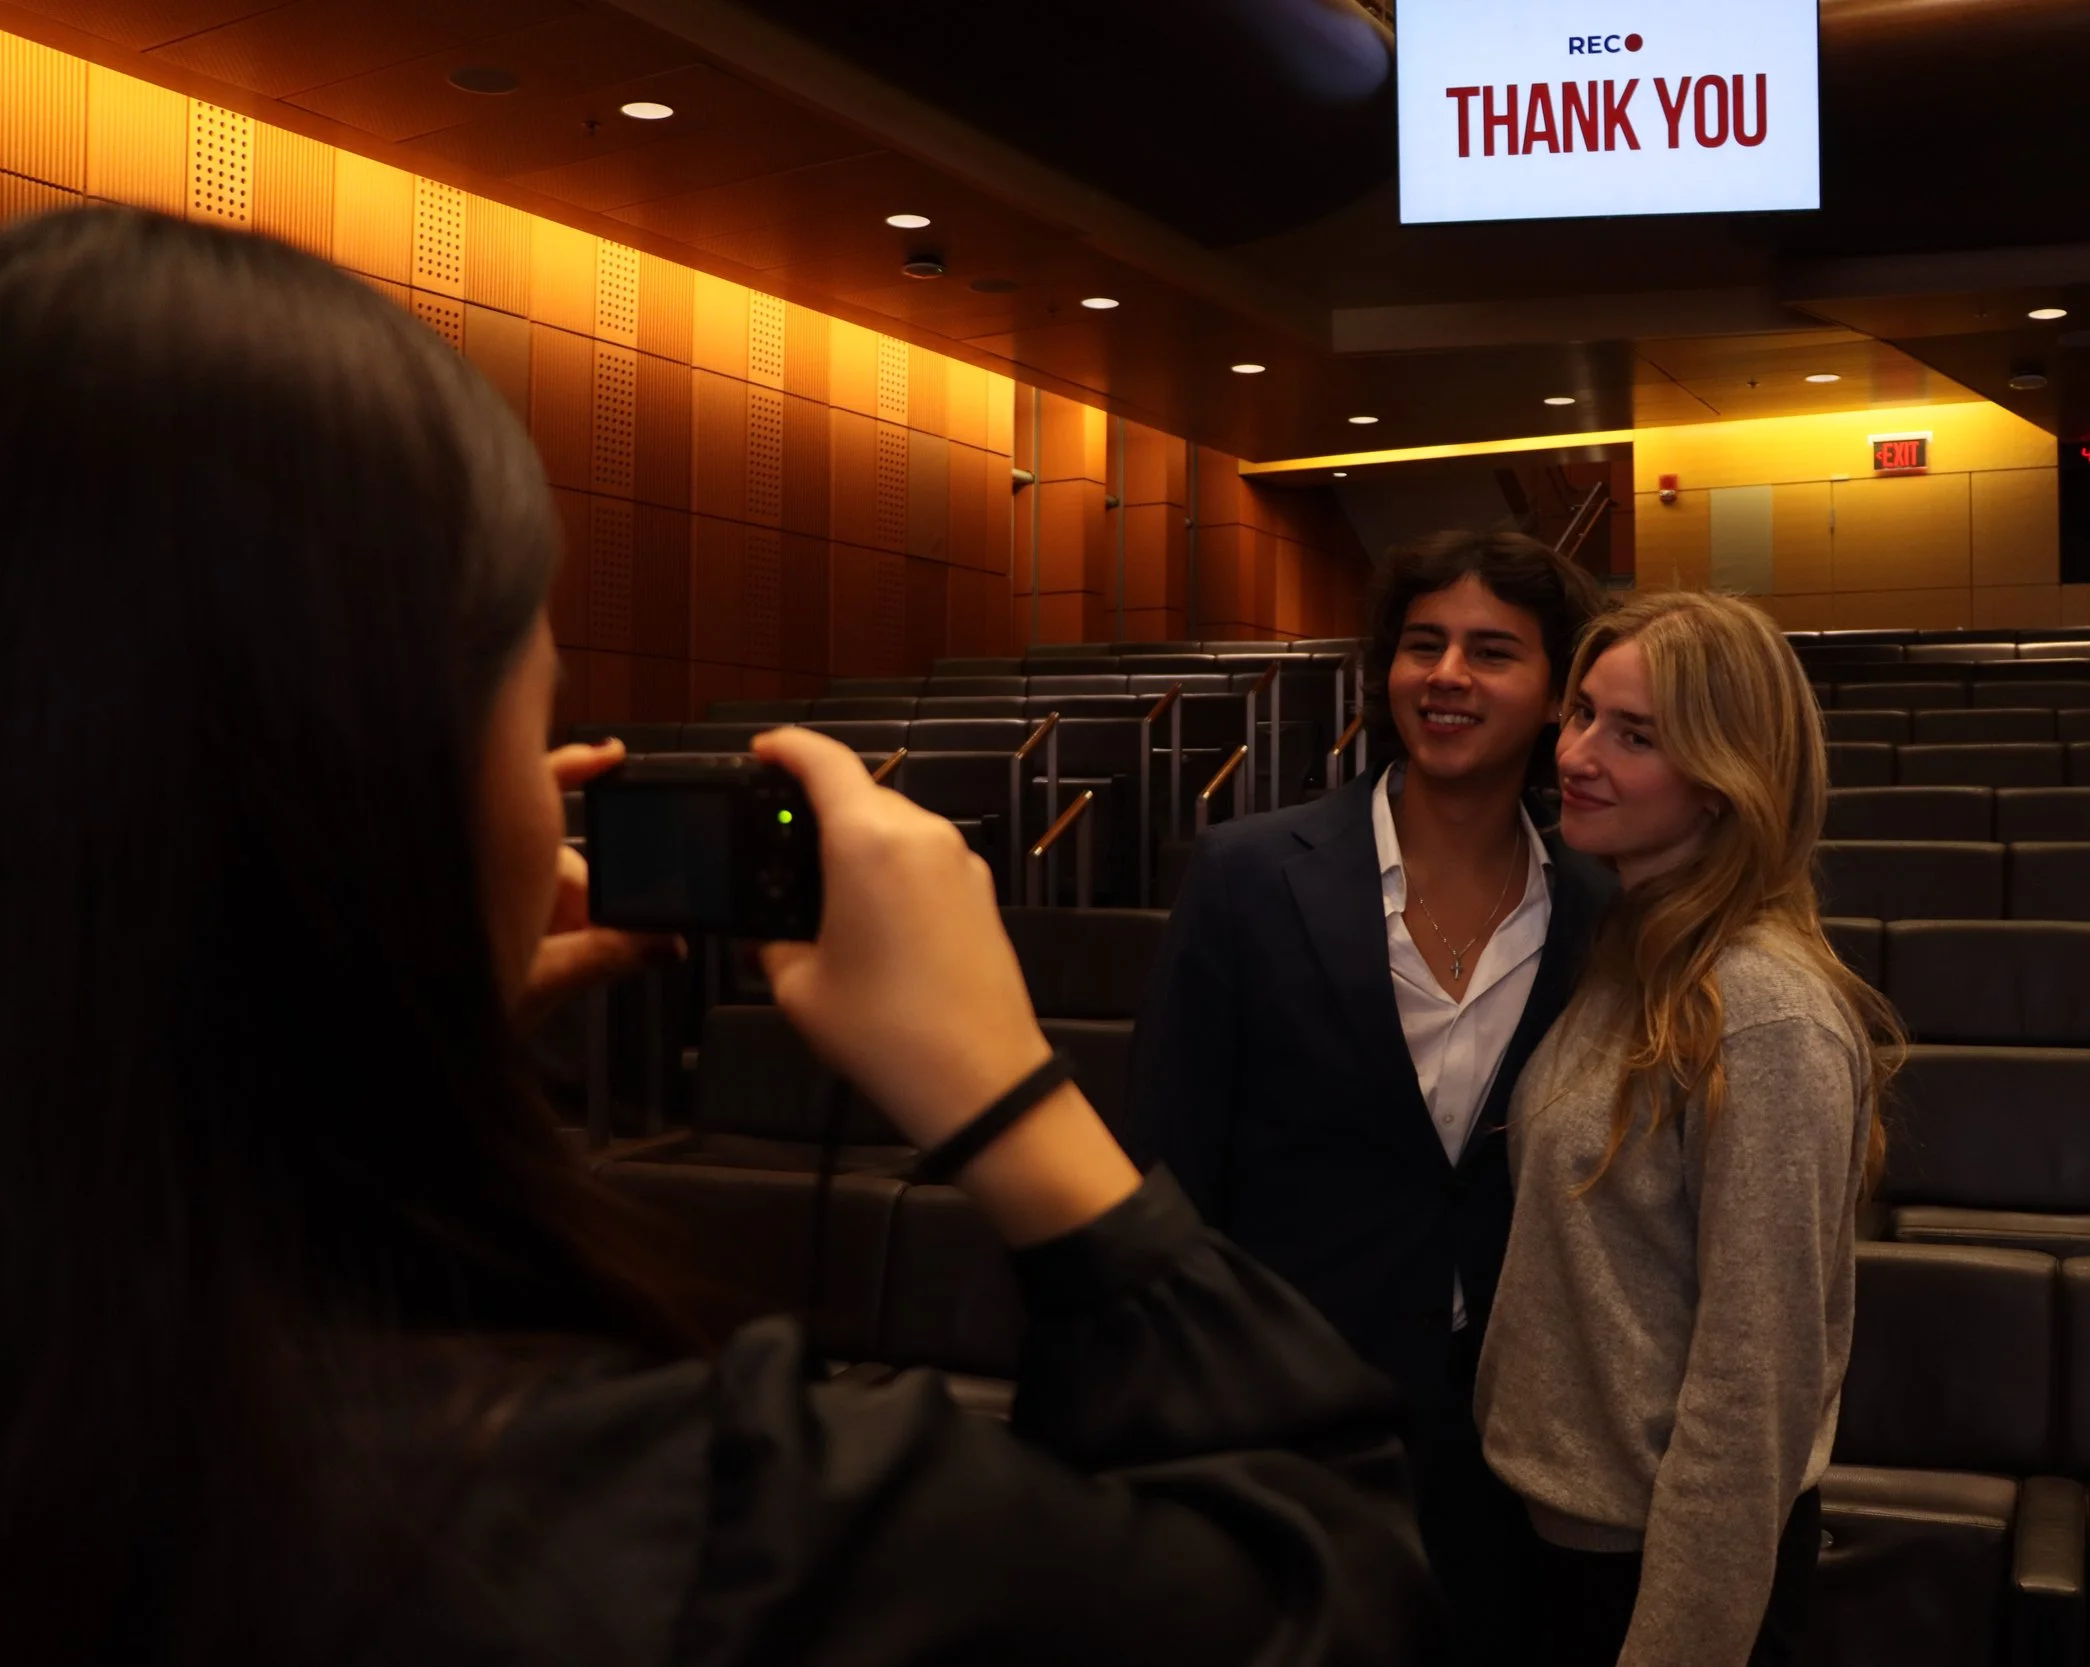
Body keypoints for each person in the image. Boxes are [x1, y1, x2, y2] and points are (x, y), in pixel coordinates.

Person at [0, 207, 1440, 1667]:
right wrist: (1009, 1093)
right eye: (538, 702)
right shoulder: (711, 1529)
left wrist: (359, 1046)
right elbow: (1330, 1589)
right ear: (398, 787)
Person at [1130, 529, 1613, 1664]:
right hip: (1293, 1410)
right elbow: (1169, 1160)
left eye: (1492, 651)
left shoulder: (1601, 904)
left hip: (1517, 1424)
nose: (1445, 675)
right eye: (1421, 644)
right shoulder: (1247, 871)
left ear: (1555, 696)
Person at [1474, 589, 1902, 1667]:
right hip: (1562, 1543)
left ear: (1724, 779)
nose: (1576, 752)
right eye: (1580, 714)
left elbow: (1751, 1390)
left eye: (1635, 735)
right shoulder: (1631, 950)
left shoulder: (1762, 1011)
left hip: (1662, 1574)